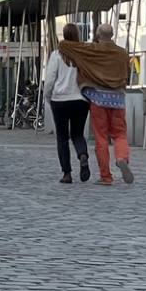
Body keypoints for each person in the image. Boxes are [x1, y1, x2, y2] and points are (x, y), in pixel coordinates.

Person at [59, 23, 133, 185]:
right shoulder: (122, 53)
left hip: (97, 98)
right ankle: (121, 158)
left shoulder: (91, 49)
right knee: (120, 134)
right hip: (118, 99)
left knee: (101, 137)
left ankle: (106, 177)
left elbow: (64, 45)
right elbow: (127, 73)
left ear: (99, 35)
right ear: (112, 35)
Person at [43, 24, 91, 184]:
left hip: (60, 100)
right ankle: (82, 154)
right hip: (81, 100)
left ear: (63, 35)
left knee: (62, 138)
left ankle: (66, 173)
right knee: (77, 134)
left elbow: (50, 79)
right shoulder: (84, 55)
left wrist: (48, 96)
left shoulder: (57, 55)